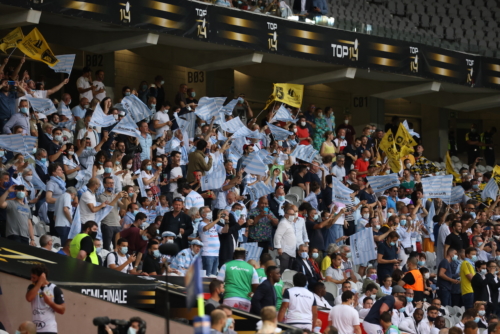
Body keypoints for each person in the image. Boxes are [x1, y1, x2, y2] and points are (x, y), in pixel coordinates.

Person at [217, 247, 259, 312]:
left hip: (229, 298)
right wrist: (251, 295)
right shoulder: (251, 268)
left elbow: (218, 283)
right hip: (246, 300)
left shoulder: (226, 266)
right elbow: (256, 286)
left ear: (234, 255)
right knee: (243, 321)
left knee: (228, 320)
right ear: (244, 256)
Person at [25, 264, 65, 334]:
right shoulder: (32, 287)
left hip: (49, 329)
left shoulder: (55, 289)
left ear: (42, 277)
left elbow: (62, 310)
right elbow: (29, 298)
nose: (31, 279)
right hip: (34, 329)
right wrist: (40, 283)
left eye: (34, 278)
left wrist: (50, 303)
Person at [274, 207, 297, 273]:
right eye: (290, 214)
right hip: (284, 251)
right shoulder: (283, 223)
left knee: (288, 270)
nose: (292, 216)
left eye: (293, 214)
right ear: (285, 214)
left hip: (291, 251)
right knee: (283, 270)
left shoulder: (290, 223)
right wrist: (279, 247)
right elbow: (278, 235)